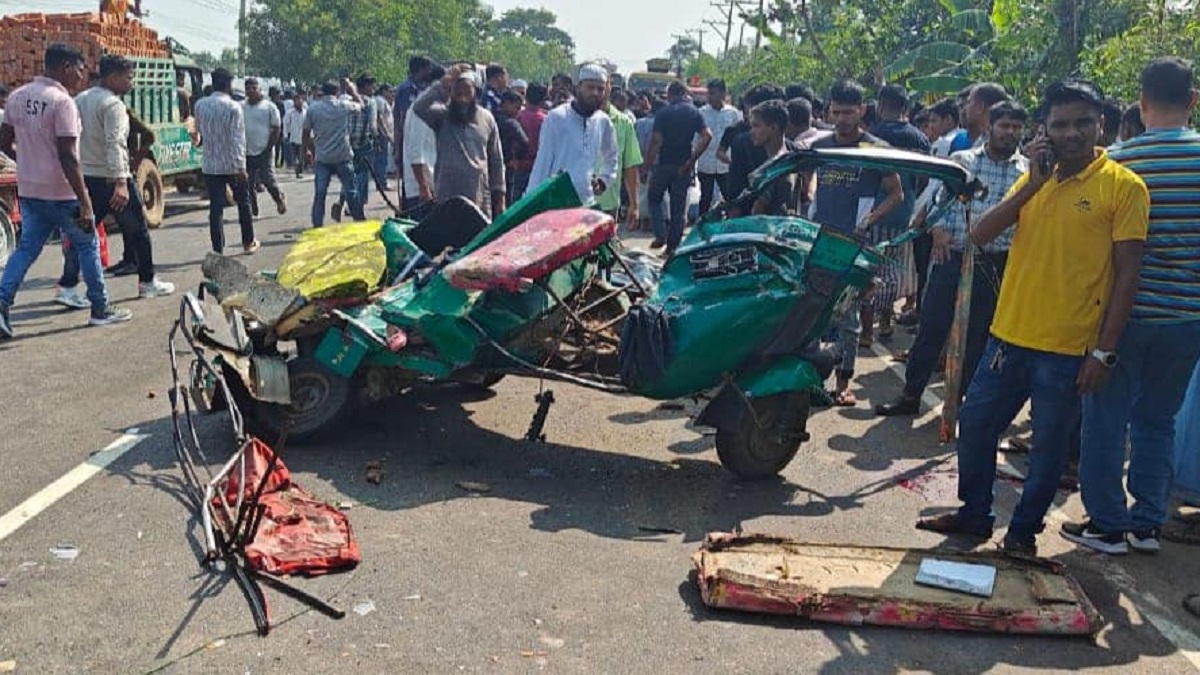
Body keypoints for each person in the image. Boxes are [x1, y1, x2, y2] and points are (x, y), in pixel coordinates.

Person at [916, 80, 1149, 558]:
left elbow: (1128, 276)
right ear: (1045, 130)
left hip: (1068, 349)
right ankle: (974, 514)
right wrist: (1034, 186)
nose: (1072, 133)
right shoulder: (1033, 177)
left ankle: (1023, 533)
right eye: (1060, 124)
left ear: (1100, 124)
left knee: (1046, 451)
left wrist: (1103, 353)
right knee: (976, 425)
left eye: (1083, 122)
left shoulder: (1124, 187)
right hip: (1008, 338)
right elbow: (980, 234)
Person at [1062, 57, 1200, 556]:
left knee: (1105, 418)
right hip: (1188, 320)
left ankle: (1106, 523)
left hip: (1124, 316)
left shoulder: (1118, 162)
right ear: (1193, 100)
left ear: (1140, 104)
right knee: (1158, 420)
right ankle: (1146, 524)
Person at [875, 101, 1030, 417]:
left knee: (978, 336)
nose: (1010, 132)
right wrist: (939, 231)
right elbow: (937, 201)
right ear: (990, 126)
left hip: (995, 262)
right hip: (952, 255)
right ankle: (910, 394)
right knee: (933, 326)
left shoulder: (1027, 172)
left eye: (1016, 127)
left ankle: (958, 404)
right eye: (1004, 125)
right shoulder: (963, 161)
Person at [0, 44, 132, 337]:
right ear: (65, 68)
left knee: (26, 250)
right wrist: (85, 202)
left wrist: (28, 162)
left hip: (31, 190)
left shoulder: (17, 97)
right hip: (62, 193)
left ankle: (1, 304)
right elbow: (68, 156)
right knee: (87, 245)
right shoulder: (62, 102)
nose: (83, 75)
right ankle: (101, 308)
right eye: (80, 68)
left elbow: (4, 141)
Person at [809, 79, 903, 407]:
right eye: (836, 112)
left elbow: (896, 193)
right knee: (813, 312)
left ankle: (844, 383)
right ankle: (811, 378)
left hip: (855, 243)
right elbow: (805, 180)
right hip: (820, 241)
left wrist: (870, 220)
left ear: (862, 110)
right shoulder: (820, 145)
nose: (842, 119)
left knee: (846, 317)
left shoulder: (875, 149)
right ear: (828, 110)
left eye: (849, 112)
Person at [863, 84, 931, 345]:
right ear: (905, 107)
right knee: (892, 269)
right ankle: (886, 322)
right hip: (904, 212)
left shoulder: (871, 136)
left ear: (880, 105)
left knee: (869, 271)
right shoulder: (920, 139)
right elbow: (924, 179)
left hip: (874, 211)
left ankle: (867, 331)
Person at [413, 66, 506, 219]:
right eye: (457, 92)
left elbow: (496, 161)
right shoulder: (442, 116)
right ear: (451, 93)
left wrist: (500, 199)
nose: (462, 98)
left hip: (479, 198)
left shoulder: (487, 118)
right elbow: (419, 107)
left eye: (466, 92)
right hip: (447, 197)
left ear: (475, 91)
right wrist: (443, 82)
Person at [527, 64, 619, 207]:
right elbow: (542, 164)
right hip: (556, 203)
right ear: (578, 88)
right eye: (590, 87)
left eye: (600, 89)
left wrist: (603, 181)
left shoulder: (603, 121)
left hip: (586, 203)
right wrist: (530, 203)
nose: (595, 93)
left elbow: (612, 156)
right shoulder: (557, 117)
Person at [194, 67, 258, 254]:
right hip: (231, 164)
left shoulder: (200, 105)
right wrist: (241, 166)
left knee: (216, 208)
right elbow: (237, 138)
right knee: (243, 202)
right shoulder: (233, 107)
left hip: (210, 164)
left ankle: (218, 248)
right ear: (228, 85)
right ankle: (248, 241)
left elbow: (198, 132)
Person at [645, 80, 713, 255]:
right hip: (683, 166)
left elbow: (656, 142)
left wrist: (647, 165)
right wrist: (691, 161)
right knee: (678, 208)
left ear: (670, 94)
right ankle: (672, 247)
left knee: (653, 198)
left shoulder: (663, 113)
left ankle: (660, 234)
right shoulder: (694, 112)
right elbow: (707, 136)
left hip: (664, 164)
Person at [304, 79, 366, 228]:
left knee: (320, 194)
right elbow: (362, 106)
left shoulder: (313, 108)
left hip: (323, 157)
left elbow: (306, 132)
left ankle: (317, 225)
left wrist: (307, 150)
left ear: (322, 92)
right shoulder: (343, 105)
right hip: (342, 156)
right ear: (337, 92)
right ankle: (359, 221)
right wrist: (352, 89)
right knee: (351, 192)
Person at [596, 78, 643, 228]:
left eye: (601, 86)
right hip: (575, 205)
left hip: (608, 205)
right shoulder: (569, 119)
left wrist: (634, 205)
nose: (595, 91)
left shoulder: (623, 122)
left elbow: (630, 166)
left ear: (609, 88)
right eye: (590, 86)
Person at [333, 74, 378, 219]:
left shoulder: (344, 101)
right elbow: (372, 125)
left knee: (349, 175)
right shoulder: (370, 103)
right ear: (364, 86)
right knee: (361, 178)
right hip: (363, 144)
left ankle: (342, 201)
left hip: (347, 144)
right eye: (372, 86)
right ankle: (357, 209)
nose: (374, 89)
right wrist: (377, 140)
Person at [695, 79, 742, 215]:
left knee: (730, 197)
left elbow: (737, 138)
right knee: (705, 198)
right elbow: (696, 139)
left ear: (723, 94)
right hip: (706, 163)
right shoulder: (701, 113)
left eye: (713, 93)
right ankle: (702, 225)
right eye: (708, 93)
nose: (709, 97)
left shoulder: (733, 114)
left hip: (725, 164)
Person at [242, 78, 286, 218]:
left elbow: (276, 128)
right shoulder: (241, 106)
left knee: (267, 180)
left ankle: (279, 199)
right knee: (248, 184)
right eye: (248, 89)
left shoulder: (269, 107)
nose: (251, 91)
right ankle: (252, 211)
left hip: (265, 150)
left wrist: (268, 147)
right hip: (247, 151)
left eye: (254, 88)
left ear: (259, 89)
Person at [393, 56, 434, 199]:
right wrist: (398, 148)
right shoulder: (407, 88)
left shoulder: (420, 87)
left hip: (419, 137)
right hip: (409, 136)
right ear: (421, 69)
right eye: (428, 69)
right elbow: (403, 119)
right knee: (411, 184)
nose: (430, 72)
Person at [747, 100, 794, 216]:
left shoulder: (774, 168)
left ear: (774, 127)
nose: (752, 132)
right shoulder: (791, 159)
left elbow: (758, 211)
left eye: (757, 126)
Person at [512, 82, 548, 200]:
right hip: (539, 170)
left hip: (519, 168)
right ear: (543, 100)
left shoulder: (518, 117)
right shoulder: (546, 120)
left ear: (526, 96)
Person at [950, 83, 1008, 153]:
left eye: (969, 102)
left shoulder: (1002, 145)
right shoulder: (959, 140)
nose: (964, 109)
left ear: (980, 107)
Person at [495, 90, 530, 205]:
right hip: (506, 165)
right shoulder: (511, 123)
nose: (518, 111)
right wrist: (517, 159)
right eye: (516, 107)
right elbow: (525, 142)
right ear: (507, 103)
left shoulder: (490, 116)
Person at [283, 92, 308, 177]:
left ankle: (299, 169)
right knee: (294, 156)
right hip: (292, 137)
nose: (299, 102)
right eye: (297, 100)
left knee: (301, 156)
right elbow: (286, 124)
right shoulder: (290, 113)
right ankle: (297, 170)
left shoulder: (306, 112)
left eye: (300, 100)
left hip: (303, 137)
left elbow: (308, 125)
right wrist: (285, 135)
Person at [375, 84, 395, 188]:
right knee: (382, 159)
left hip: (384, 133)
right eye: (389, 91)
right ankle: (382, 182)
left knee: (384, 158)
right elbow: (379, 118)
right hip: (382, 134)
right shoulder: (379, 100)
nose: (391, 93)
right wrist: (386, 133)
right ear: (383, 91)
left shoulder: (384, 101)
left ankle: (381, 181)